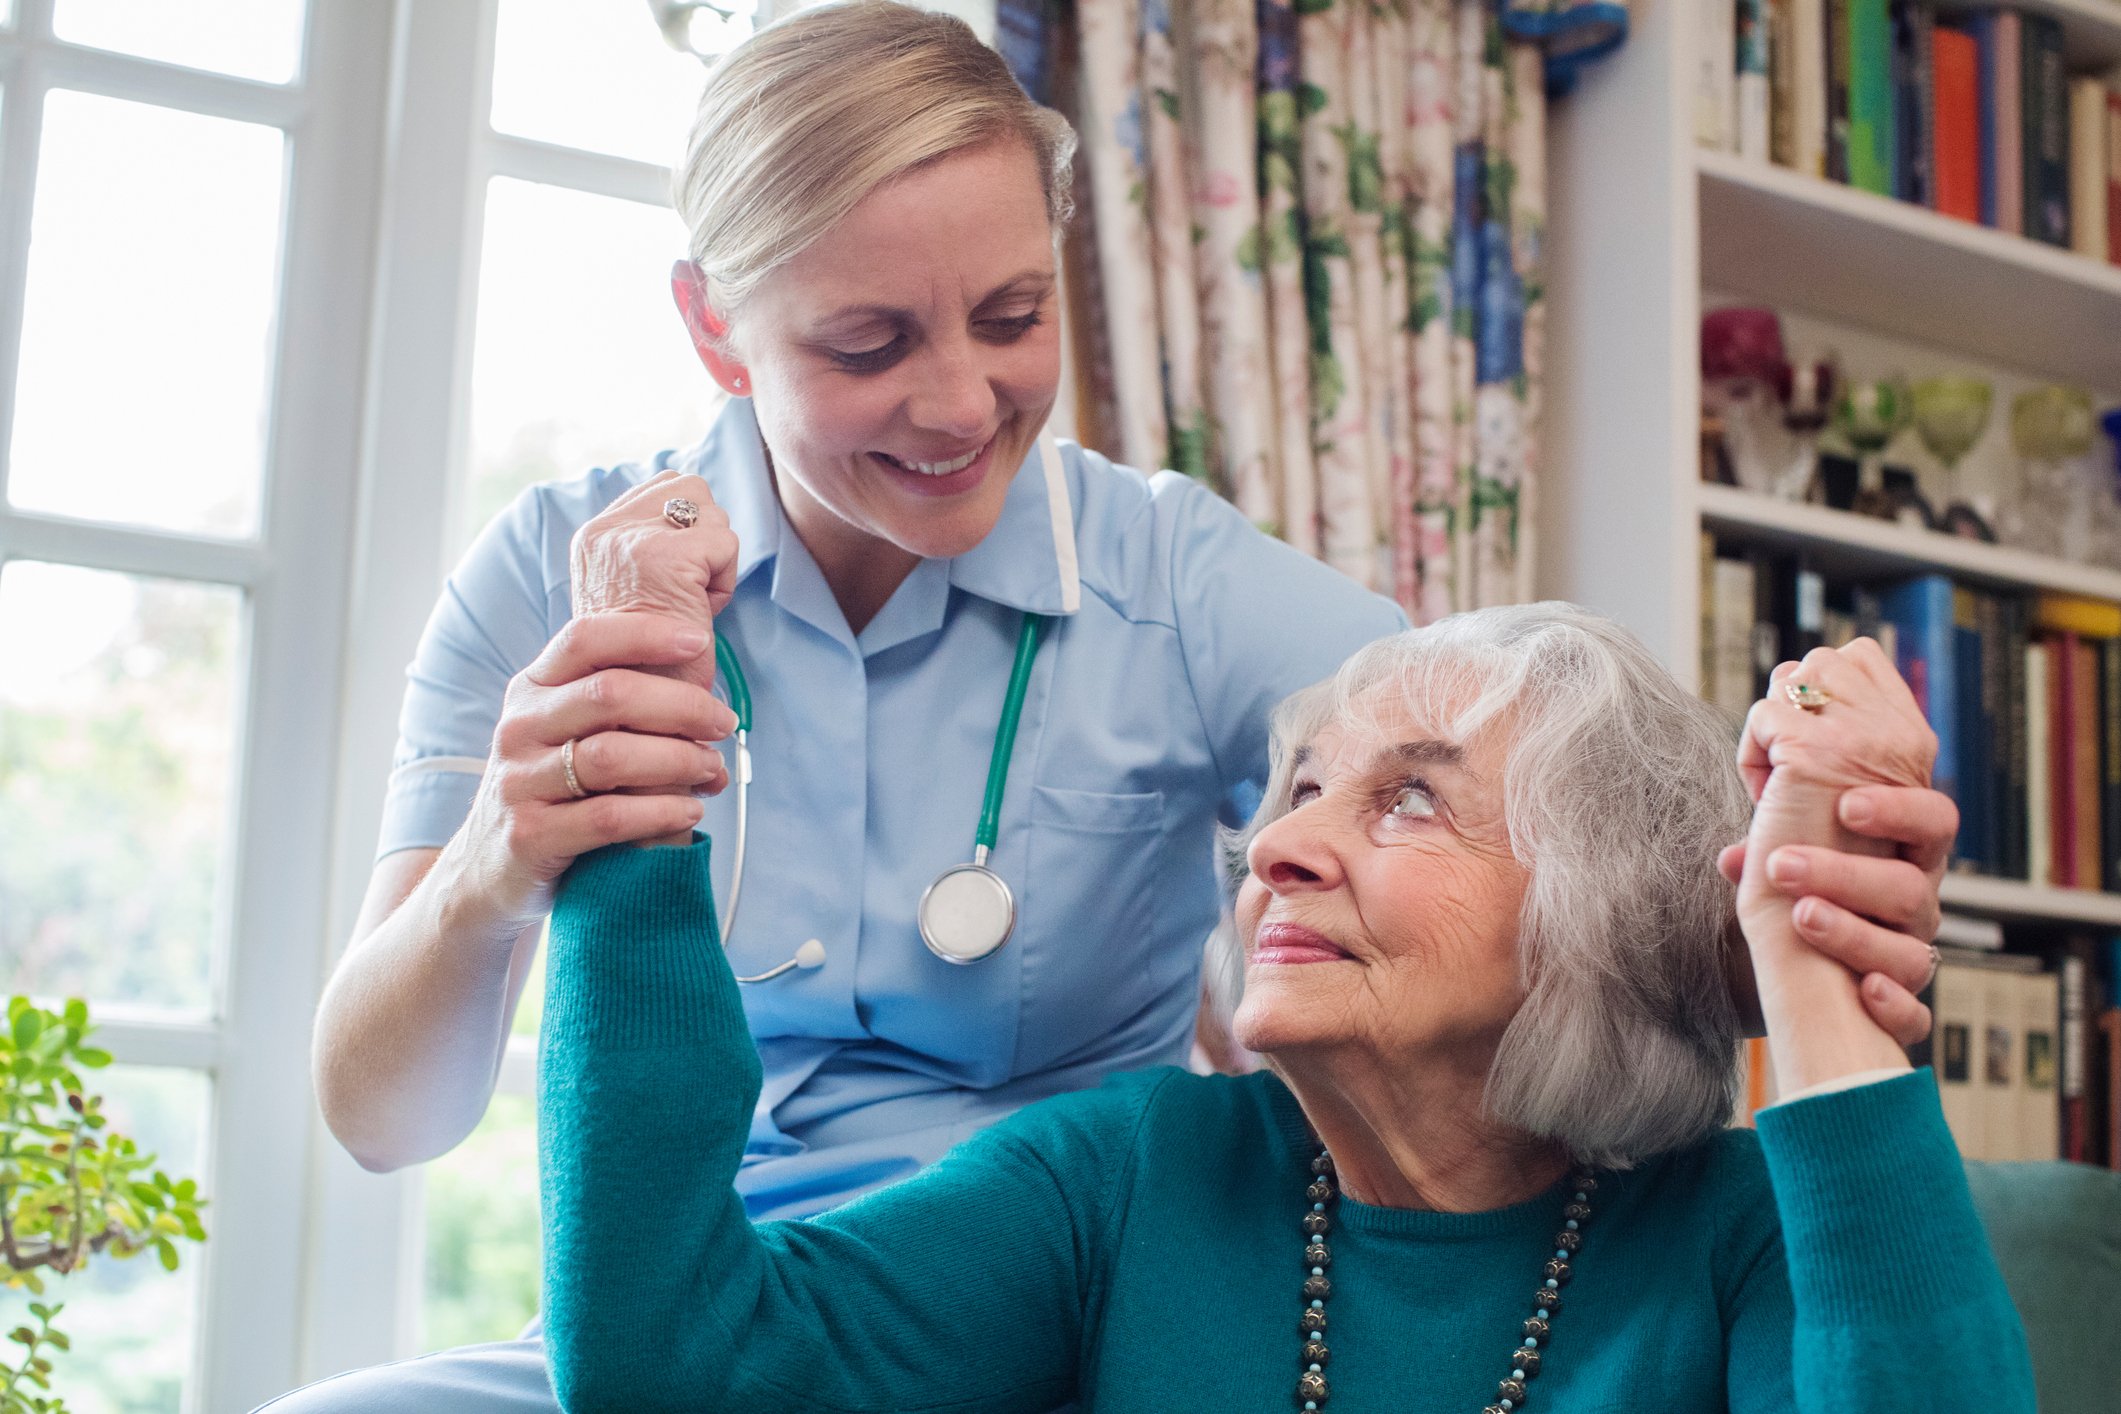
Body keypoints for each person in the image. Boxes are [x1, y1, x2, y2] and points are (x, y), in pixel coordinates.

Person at [276, 3, 1955, 1407]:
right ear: (716, 329)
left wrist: (1819, 894)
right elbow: (386, 1116)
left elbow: (1526, 817)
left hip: (1054, 1306)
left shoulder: (1180, 584)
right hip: (703, 1288)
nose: (959, 401)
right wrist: (508, 856)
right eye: (867, 342)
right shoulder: (558, 579)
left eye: (1012, 318)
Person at [536, 608, 2031, 1412]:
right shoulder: (1127, 1175)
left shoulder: (1749, 1227)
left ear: (1601, 905)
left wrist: (1814, 954)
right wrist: (631, 817)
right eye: (1301, 789)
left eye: (1410, 801)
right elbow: (676, 1363)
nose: (1275, 847)